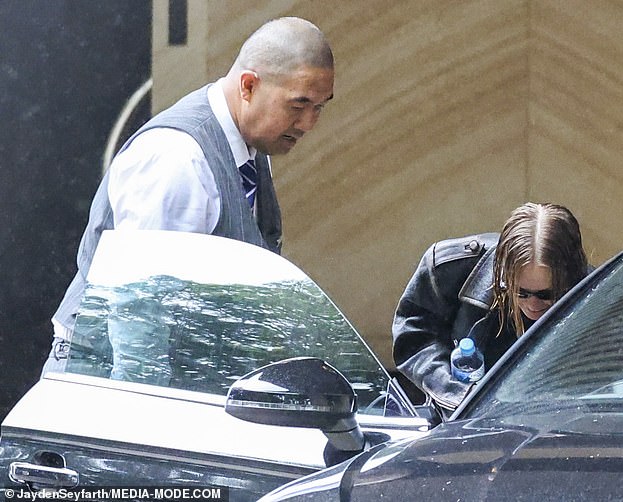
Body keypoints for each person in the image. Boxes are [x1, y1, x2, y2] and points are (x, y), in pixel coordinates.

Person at [43, 17, 335, 374]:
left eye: (319, 107)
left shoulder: (248, 149)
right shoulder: (177, 157)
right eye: (298, 104)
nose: (308, 123)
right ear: (248, 86)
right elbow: (139, 315)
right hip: (107, 383)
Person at [392, 202, 589, 418]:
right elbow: (414, 338)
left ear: (569, 280)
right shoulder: (449, 268)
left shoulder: (601, 294)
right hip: (462, 421)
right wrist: (460, 395)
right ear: (502, 273)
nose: (533, 304)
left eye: (546, 294)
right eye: (520, 292)